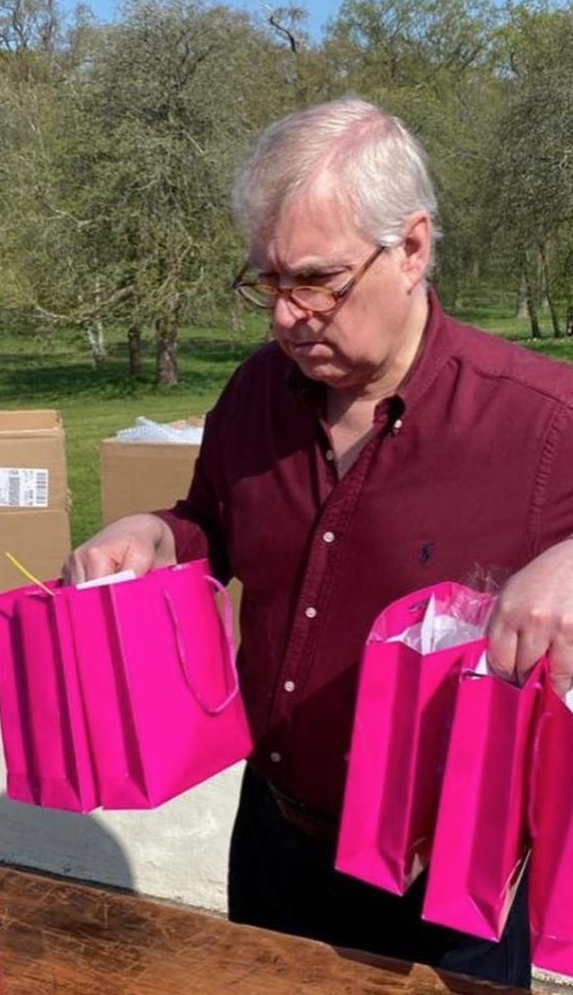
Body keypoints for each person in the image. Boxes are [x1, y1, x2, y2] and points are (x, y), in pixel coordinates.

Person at [63, 97, 573, 988]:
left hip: (447, 880)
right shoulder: (258, 393)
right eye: (267, 283)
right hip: (275, 841)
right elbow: (215, 524)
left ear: (412, 249)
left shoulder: (539, 419)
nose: (287, 318)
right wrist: (156, 531)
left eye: (316, 281)